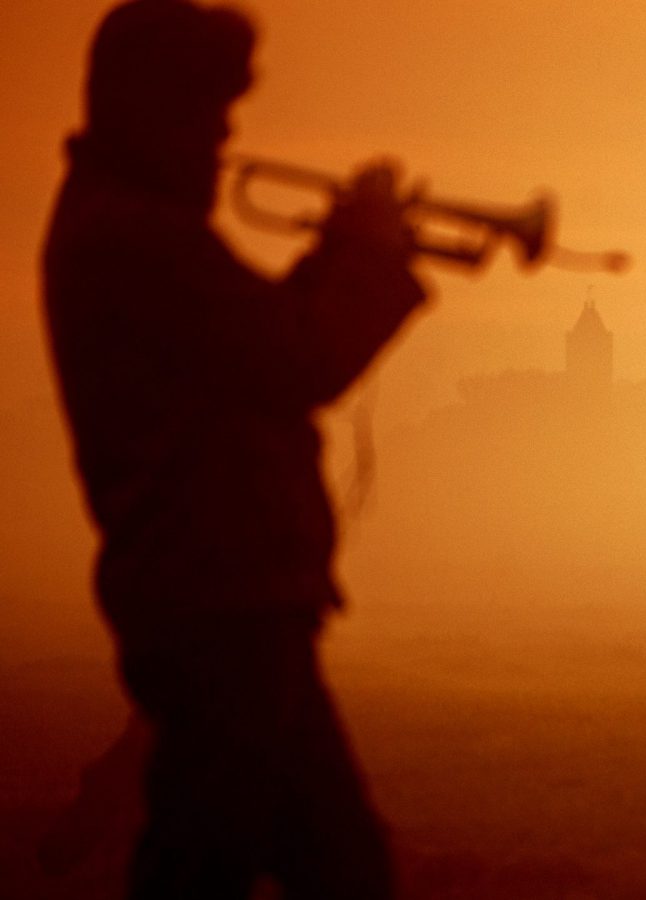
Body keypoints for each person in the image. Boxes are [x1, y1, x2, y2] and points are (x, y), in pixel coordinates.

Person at [42, 1, 428, 896]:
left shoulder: (132, 230)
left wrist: (343, 252)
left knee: (330, 869)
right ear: (149, 105)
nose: (223, 136)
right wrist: (363, 252)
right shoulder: (135, 239)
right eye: (207, 109)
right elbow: (301, 358)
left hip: (231, 596)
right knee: (212, 863)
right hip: (218, 599)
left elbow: (258, 346)